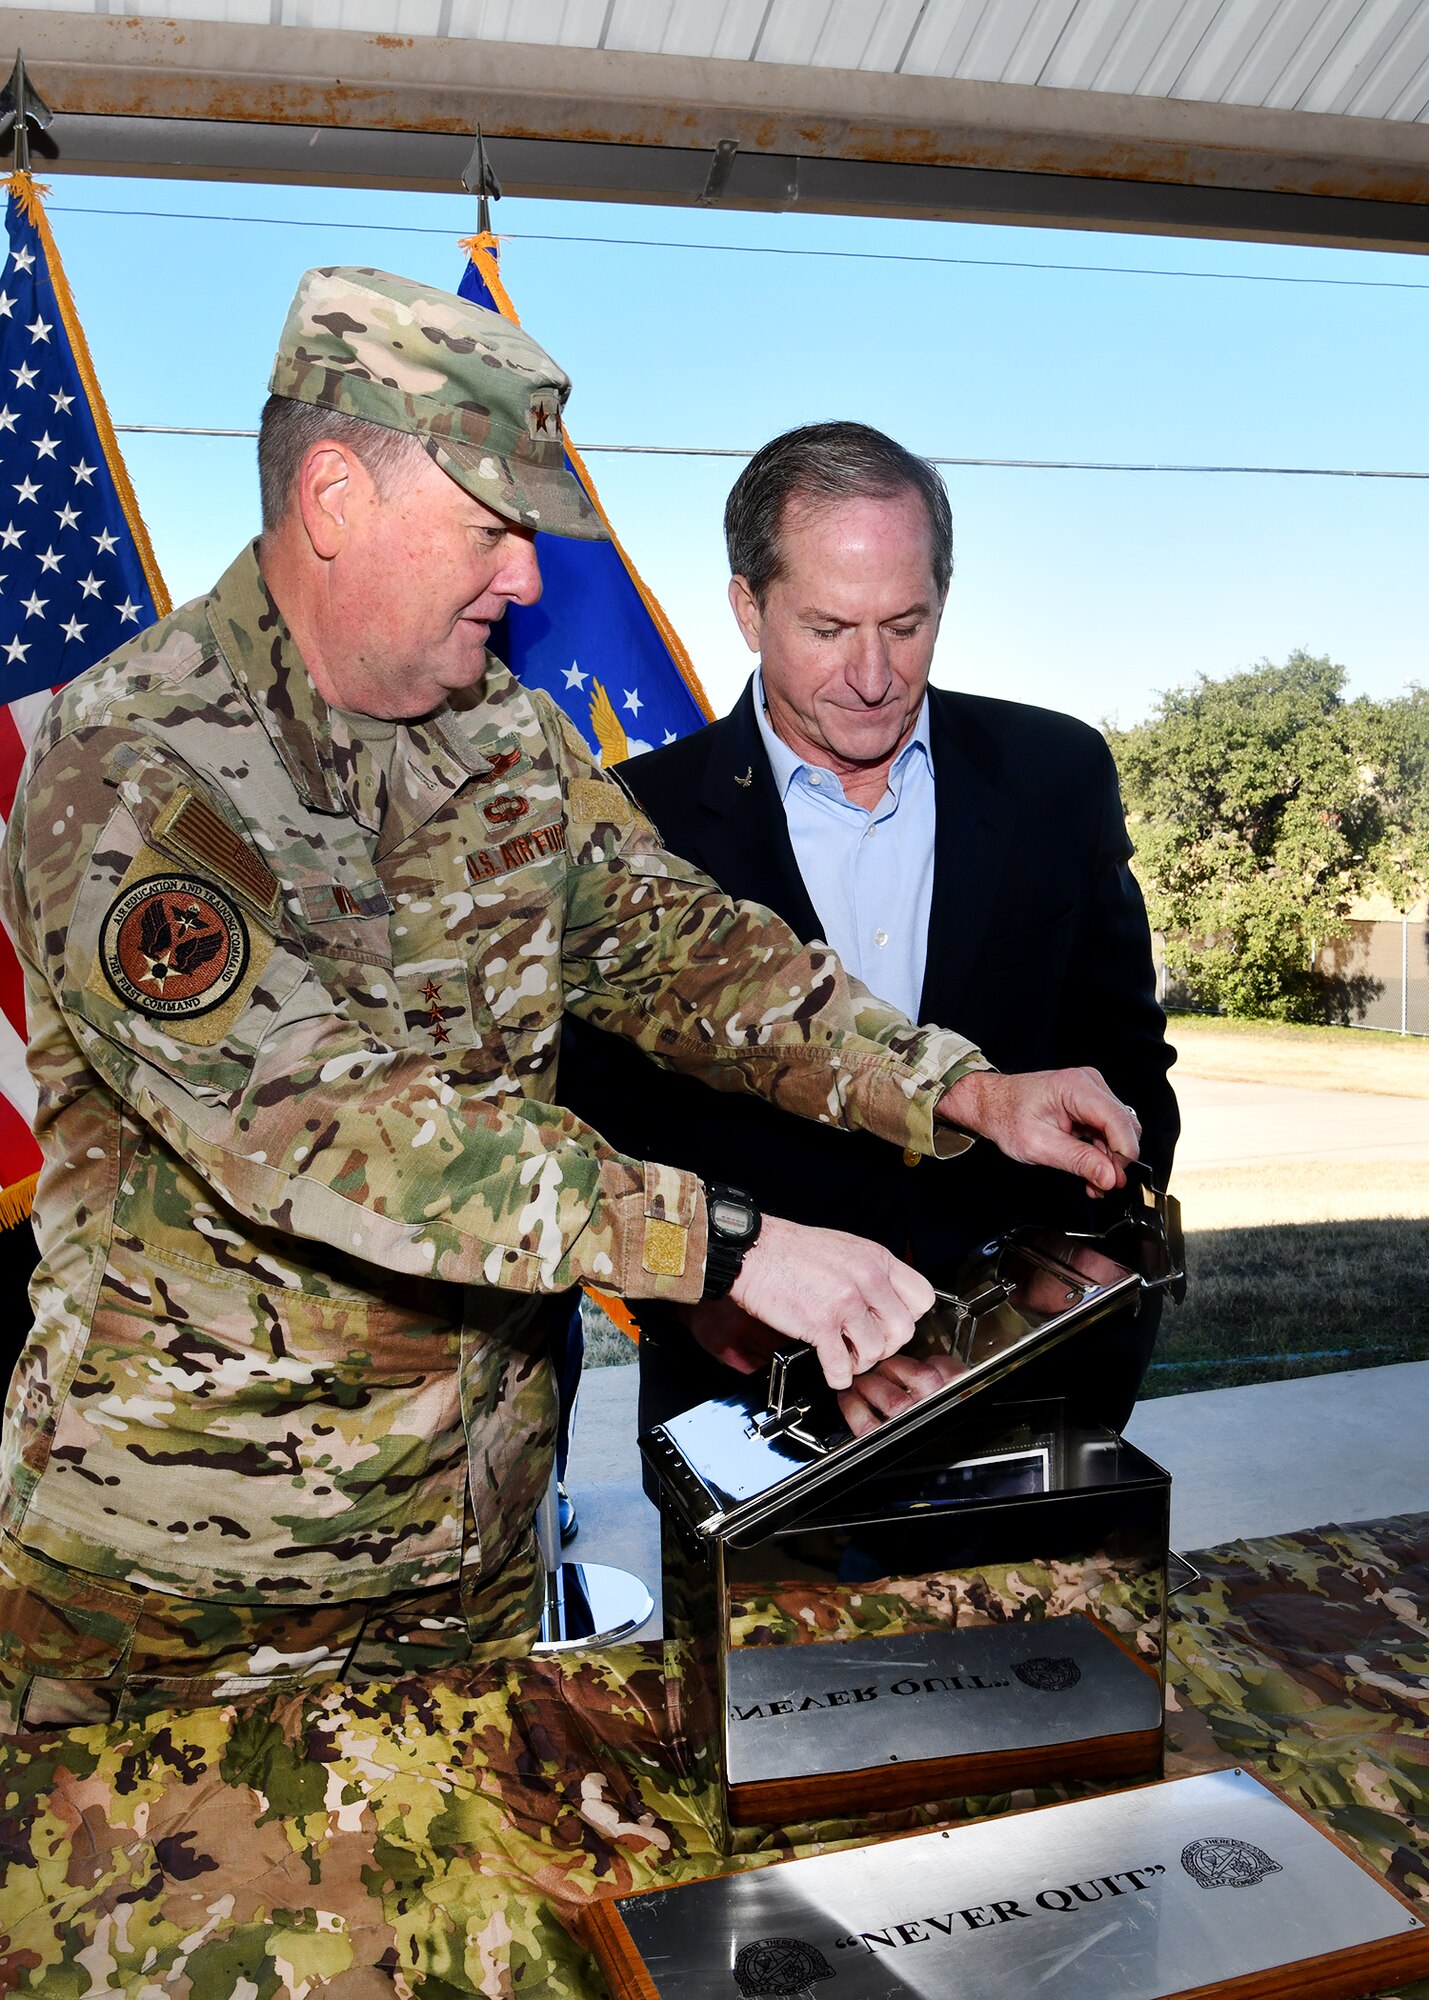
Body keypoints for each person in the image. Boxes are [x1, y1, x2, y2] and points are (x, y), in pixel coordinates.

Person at [0, 276, 1140, 1730]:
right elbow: (317, 1123)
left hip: (475, 1542)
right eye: (491, 529)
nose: (527, 579)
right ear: (337, 495)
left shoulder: (499, 736)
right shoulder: (134, 760)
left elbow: (690, 953)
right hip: (189, 1585)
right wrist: (721, 1241)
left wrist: (955, 1086)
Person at [563, 421, 1178, 1445]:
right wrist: (708, 1295)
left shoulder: (1053, 772)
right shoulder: (635, 821)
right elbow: (597, 1112)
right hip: (752, 1409)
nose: (872, 672)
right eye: (828, 627)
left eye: (906, 622)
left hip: (1030, 1390)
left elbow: (1126, 1066)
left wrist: (1079, 1262)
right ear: (747, 609)